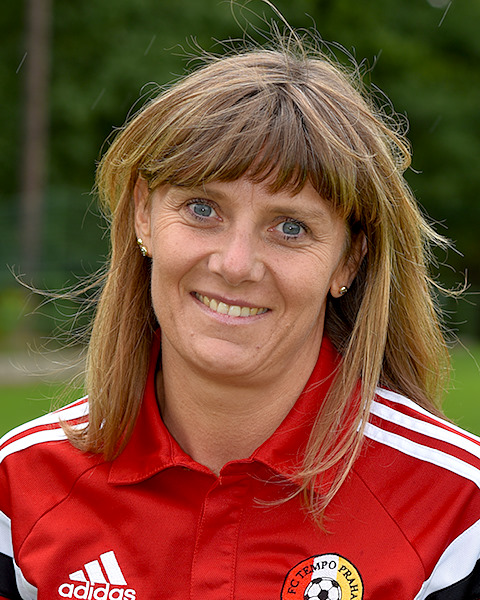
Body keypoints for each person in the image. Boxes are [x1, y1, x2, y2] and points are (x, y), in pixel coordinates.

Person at [1, 24, 479, 600]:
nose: (235, 264)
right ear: (144, 216)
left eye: (290, 227)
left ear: (348, 262)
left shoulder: (457, 512)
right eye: (203, 208)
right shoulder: (18, 489)